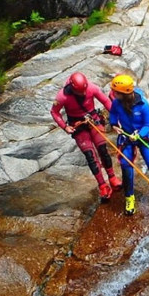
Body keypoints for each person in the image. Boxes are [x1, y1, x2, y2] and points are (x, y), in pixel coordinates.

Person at [51, 72, 121, 201]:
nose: (83, 94)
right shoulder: (62, 96)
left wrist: (117, 117)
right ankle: (102, 185)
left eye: (84, 90)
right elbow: (54, 112)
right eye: (80, 92)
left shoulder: (91, 87)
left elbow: (106, 101)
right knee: (90, 156)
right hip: (78, 126)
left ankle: (112, 178)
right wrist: (65, 127)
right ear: (72, 88)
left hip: (94, 121)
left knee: (103, 150)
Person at [108, 74, 149, 215]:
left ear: (123, 93)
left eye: (116, 92)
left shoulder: (142, 104)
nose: (113, 94)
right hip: (126, 136)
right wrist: (114, 124)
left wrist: (139, 135)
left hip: (142, 137)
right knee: (126, 168)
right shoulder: (116, 103)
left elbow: (148, 125)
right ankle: (129, 197)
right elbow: (112, 114)